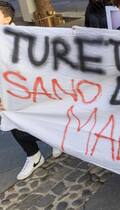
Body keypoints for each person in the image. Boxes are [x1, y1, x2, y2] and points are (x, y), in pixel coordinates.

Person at [0, 1, 62, 180]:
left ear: (7, 18)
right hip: (8, 92)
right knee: (11, 121)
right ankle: (34, 156)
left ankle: (53, 140)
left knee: (33, 119)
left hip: (31, 90)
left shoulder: (23, 36)